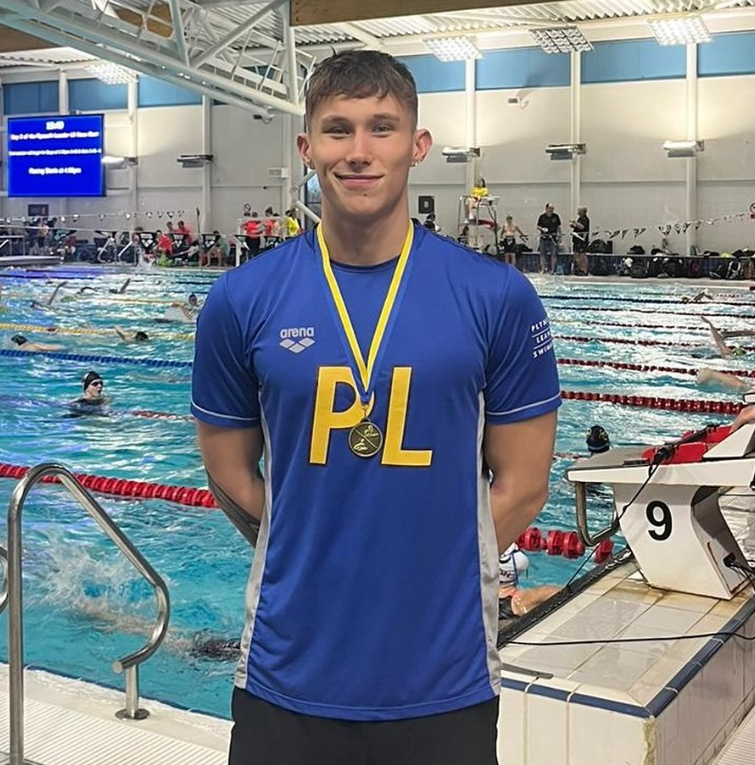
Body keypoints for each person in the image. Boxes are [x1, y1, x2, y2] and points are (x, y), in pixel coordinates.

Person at [191, 49, 559, 765]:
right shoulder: (241, 299)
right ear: (307, 149)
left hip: (444, 676)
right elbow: (229, 469)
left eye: (382, 129)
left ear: (417, 146)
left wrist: (435, 566)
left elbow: (524, 482)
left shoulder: (496, 297)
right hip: (285, 674)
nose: (359, 152)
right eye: (338, 130)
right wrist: (311, 545)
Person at [537, 203, 562, 275]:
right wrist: (542, 229)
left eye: (552, 208)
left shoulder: (556, 216)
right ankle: (543, 269)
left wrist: (560, 236)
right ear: (546, 208)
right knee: (542, 254)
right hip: (544, 237)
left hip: (553, 238)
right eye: (550, 208)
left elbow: (558, 227)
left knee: (554, 254)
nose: (551, 210)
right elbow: (538, 226)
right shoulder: (542, 217)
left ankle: (553, 269)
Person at [570, 206, 590, 276]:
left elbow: (582, 227)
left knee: (582, 255)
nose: (577, 212)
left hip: (582, 240)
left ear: (583, 212)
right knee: (577, 255)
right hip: (577, 240)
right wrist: (574, 226)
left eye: (579, 211)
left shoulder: (585, 219)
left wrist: (575, 223)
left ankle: (583, 270)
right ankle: (578, 268)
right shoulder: (580, 218)